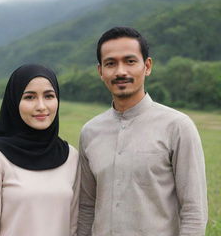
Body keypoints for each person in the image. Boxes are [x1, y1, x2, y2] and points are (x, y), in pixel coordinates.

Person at [78, 26, 208, 236]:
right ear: (100, 71)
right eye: (111, 63)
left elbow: (194, 211)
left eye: (130, 61)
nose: (120, 71)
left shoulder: (178, 127)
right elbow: (86, 208)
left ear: (147, 66)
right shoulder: (90, 132)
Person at [0, 64, 80, 236]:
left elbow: (74, 226)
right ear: (14, 100)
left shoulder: (70, 156)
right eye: (30, 97)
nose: (41, 106)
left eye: (49, 96)